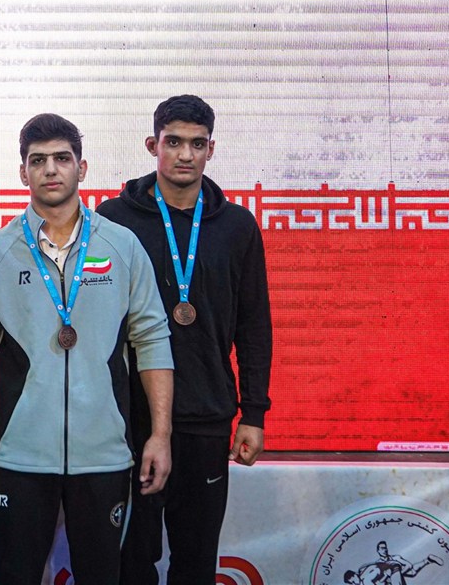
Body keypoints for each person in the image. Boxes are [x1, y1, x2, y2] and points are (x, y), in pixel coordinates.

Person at [0, 113, 174, 585]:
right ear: (22, 173)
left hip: (105, 455)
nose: (50, 169)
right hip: (17, 455)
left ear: (82, 167)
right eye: (38, 161)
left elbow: (153, 340)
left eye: (62, 158)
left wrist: (160, 434)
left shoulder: (122, 245)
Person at [96, 94, 272, 585]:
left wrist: (254, 414)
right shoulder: (113, 220)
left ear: (211, 150)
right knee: (131, 563)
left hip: (206, 416)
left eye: (197, 144)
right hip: (129, 420)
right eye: (173, 142)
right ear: (152, 145)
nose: (185, 155)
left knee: (195, 563)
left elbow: (254, 327)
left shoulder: (237, 226)